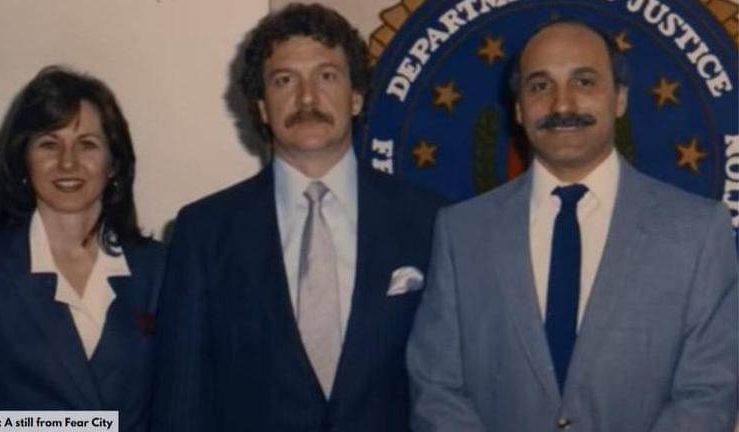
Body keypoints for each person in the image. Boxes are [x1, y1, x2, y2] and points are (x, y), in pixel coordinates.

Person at [407, 19, 738, 432]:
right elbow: (436, 388)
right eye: (540, 86)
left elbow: (708, 394)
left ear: (619, 98)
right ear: (519, 109)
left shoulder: (698, 232)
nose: (562, 105)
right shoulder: (461, 232)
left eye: (584, 82)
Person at [152, 3, 444, 431]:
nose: (307, 98)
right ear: (262, 107)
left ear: (356, 97)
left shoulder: (432, 222)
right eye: (284, 80)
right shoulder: (204, 232)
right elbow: (180, 405)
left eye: (327, 76)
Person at [0, 66, 165, 432]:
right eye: (49, 144)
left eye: (87, 144)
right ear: (24, 160)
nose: (67, 162)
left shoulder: (161, 270)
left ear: (114, 164)